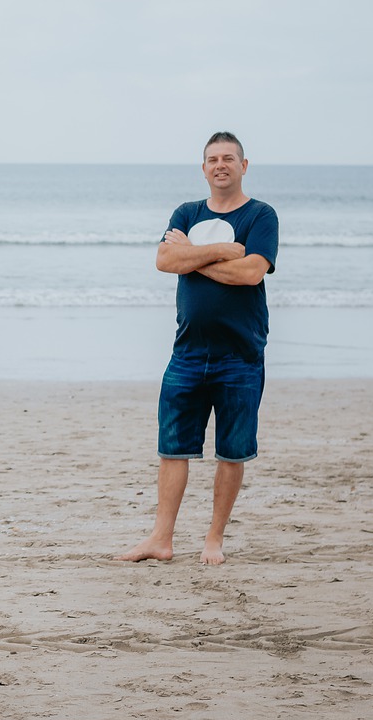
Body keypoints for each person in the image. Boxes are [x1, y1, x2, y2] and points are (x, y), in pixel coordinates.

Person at [116, 131, 278, 565]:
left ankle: (213, 540)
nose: (220, 164)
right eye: (212, 159)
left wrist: (195, 256)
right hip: (186, 353)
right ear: (203, 168)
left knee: (233, 450)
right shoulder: (186, 212)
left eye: (229, 158)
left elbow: (251, 274)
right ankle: (161, 540)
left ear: (244, 166)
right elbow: (166, 261)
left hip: (240, 354)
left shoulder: (261, 215)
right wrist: (223, 251)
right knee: (172, 449)